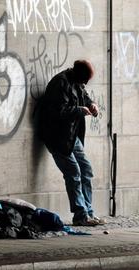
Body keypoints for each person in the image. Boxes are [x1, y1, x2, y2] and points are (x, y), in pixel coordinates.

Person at [38, 60, 105, 226]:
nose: (86, 83)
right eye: (85, 80)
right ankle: (80, 216)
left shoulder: (76, 82)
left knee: (86, 170)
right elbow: (57, 111)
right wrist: (79, 110)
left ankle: (88, 212)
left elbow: (84, 96)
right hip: (57, 137)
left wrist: (91, 104)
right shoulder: (60, 83)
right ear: (78, 74)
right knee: (73, 172)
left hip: (71, 135)